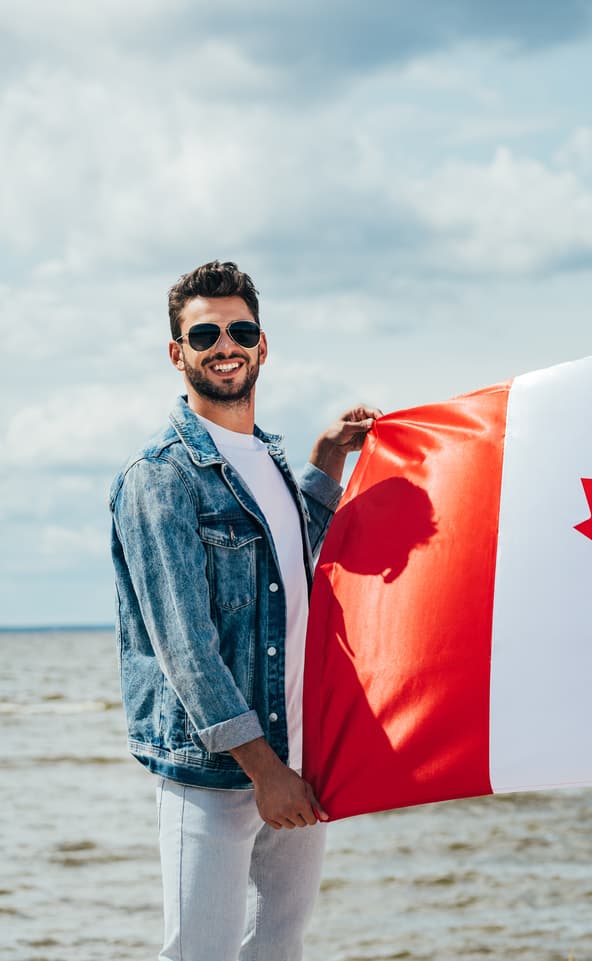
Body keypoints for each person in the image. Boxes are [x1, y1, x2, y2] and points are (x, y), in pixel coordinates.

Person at [109, 260, 381, 960]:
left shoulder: (274, 462)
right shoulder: (159, 478)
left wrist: (323, 467)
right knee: (200, 952)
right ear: (177, 353)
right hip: (218, 771)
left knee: (278, 946)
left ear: (263, 344)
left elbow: (298, 578)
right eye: (204, 333)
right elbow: (185, 651)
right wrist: (265, 771)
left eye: (239, 329)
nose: (223, 344)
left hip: (300, 754)